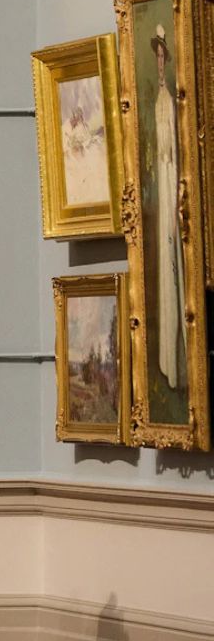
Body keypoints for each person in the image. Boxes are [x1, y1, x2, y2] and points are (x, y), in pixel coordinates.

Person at [151, 25, 184, 389]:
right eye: (156, 55)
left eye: (164, 55)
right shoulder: (159, 102)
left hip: (172, 186)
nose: (160, 62)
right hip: (164, 190)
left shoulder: (172, 102)